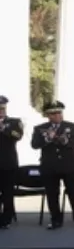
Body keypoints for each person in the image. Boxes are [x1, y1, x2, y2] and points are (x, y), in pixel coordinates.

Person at [31, 101, 74, 229]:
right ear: (48, 115)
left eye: (59, 112)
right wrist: (47, 139)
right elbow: (34, 144)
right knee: (52, 194)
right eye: (54, 113)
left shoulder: (72, 126)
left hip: (69, 165)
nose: (57, 115)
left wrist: (63, 140)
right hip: (50, 165)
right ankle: (56, 219)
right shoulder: (40, 128)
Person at [0, 95, 23, 229]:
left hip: (8, 163)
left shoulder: (14, 122)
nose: (1, 111)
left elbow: (18, 136)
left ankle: (6, 219)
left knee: (8, 192)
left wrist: (4, 129)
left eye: (2, 108)